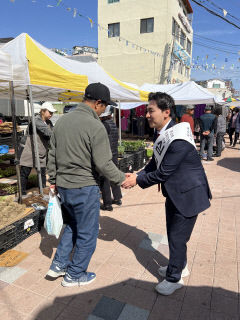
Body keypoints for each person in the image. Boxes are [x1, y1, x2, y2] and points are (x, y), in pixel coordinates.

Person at [122, 92, 212, 296]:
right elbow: (154, 163)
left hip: (188, 195)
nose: (146, 115)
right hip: (176, 193)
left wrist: (136, 181)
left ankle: (174, 278)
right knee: (175, 236)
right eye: (146, 110)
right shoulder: (164, 132)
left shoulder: (177, 137)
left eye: (150, 110)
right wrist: (137, 174)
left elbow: (163, 172)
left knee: (177, 238)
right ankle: (180, 266)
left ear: (166, 112)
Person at [46, 83, 125, 287]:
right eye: (105, 106)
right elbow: (104, 163)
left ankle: (59, 265)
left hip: (63, 186)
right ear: (98, 103)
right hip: (84, 186)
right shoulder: (95, 126)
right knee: (87, 233)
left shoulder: (62, 121)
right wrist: (122, 179)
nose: (105, 110)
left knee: (72, 225)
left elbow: (52, 155)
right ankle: (75, 274)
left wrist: (53, 181)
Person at [19, 102, 56, 195]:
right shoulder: (36, 120)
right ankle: (22, 193)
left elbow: (52, 132)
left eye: (52, 112)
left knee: (42, 172)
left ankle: (42, 191)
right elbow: (48, 133)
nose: (51, 114)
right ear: (43, 111)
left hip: (41, 150)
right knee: (25, 172)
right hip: (29, 150)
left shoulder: (49, 122)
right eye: (50, 112)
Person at [99, 106, 122, 211]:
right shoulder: (113, 124)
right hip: (114, 154)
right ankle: (118, 198)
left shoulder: (103, 125)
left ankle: (107, 204)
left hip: (107, 155)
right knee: (114, 177)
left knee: (105, 180)